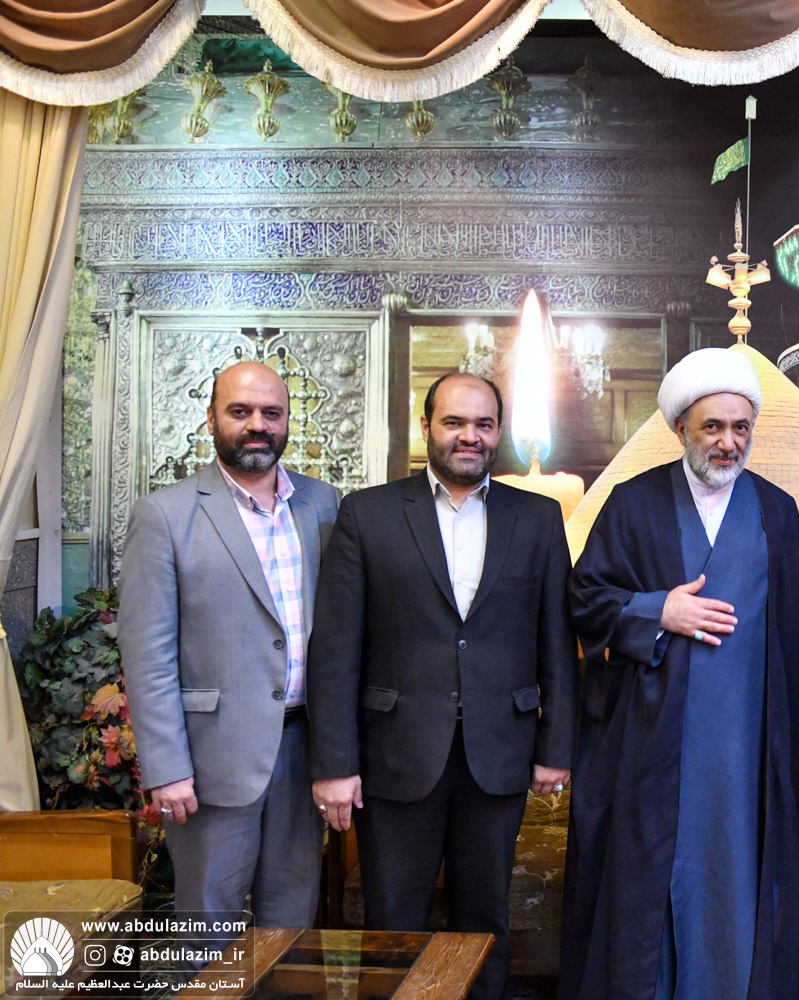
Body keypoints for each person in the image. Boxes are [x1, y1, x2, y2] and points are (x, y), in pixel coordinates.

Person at [560, 348, 799, 1000]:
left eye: (741, 427)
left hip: (747, 752)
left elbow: (798, 634)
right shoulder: (634, 503)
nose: (729, 442)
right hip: (651, 745)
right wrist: (657, 610)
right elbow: (584, 599)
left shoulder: (777, 511)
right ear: (681, 428)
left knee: (739, 880)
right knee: (650, 883)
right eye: (713, 427)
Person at [306, 372, 574, 1000]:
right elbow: (336, 649)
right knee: (392, 923)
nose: (469, 437)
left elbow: (557, 642)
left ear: (499, 433)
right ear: (426, 427)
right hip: (395, 754)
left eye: (483, 425)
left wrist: (556, 746)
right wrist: (335, 764)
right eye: (454, 423)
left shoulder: (537, 518)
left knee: (485, 923)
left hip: (498, 753)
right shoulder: (367, 513)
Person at [119, 361, 339, 930]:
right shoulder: (164, 515)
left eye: (271, 413)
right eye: (240, 411)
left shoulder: (323, 504)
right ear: (212, 417)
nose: (257, 425)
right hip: (210, 762)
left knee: (290, 927)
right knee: (206, 931)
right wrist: (167, 768)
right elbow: (147, 656)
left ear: (288, 421)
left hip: (304, 751)